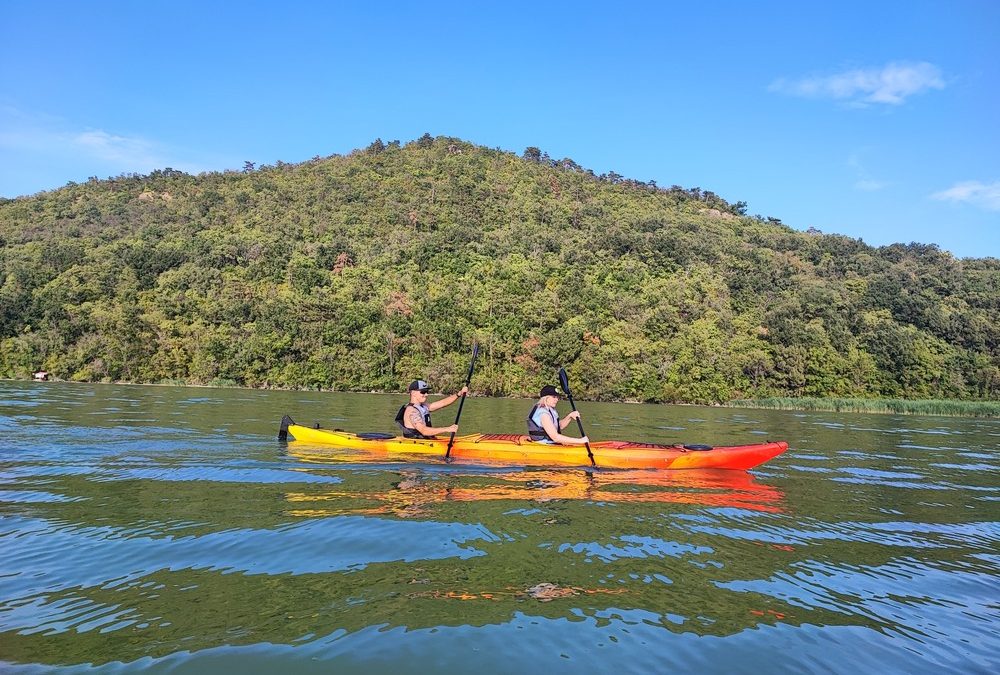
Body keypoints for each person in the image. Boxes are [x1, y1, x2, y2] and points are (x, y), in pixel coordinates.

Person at [395, 379, 470, 438]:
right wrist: (447, 429)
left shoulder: (423, 406)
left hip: (426, 440)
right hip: (416, 443)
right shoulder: (412, 411)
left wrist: (459, 394)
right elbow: (424, 431)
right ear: (413, 393)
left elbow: (442, 403)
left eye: (427, 391)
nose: (426, 394)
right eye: (423, 392)